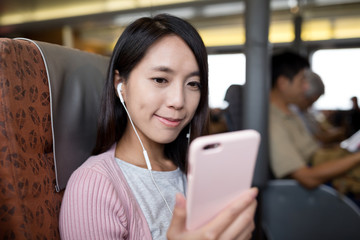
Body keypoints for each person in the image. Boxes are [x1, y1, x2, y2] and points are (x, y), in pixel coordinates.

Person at [59, 14, 258, 240]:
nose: (179, 101)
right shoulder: (93, 185)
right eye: (160, 79)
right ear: (120, 85)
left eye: (193, 84)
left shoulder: (197, 172)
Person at [269, 51, 360, 191]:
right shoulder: (272, 122)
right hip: (317, 189)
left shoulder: (292, 112)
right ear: (283, 83)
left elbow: (314, 151)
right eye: (302, 81)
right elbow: (307, 178)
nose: (306, 87)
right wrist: (356, 158)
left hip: (320, 166)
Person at [291, 70, 345, 146]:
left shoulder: (307, 112)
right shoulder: (291, 112)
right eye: (310, 101)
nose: (310, 106)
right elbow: (313, 139)